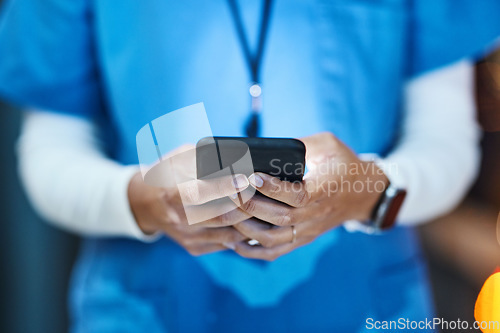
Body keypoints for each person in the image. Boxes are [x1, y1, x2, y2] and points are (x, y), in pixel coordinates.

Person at [0, 0, 499, 332]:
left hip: (362, 307)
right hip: (150, 309)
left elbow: (447, 148)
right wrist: (141, 201)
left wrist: (361, 190)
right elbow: (50, 154)